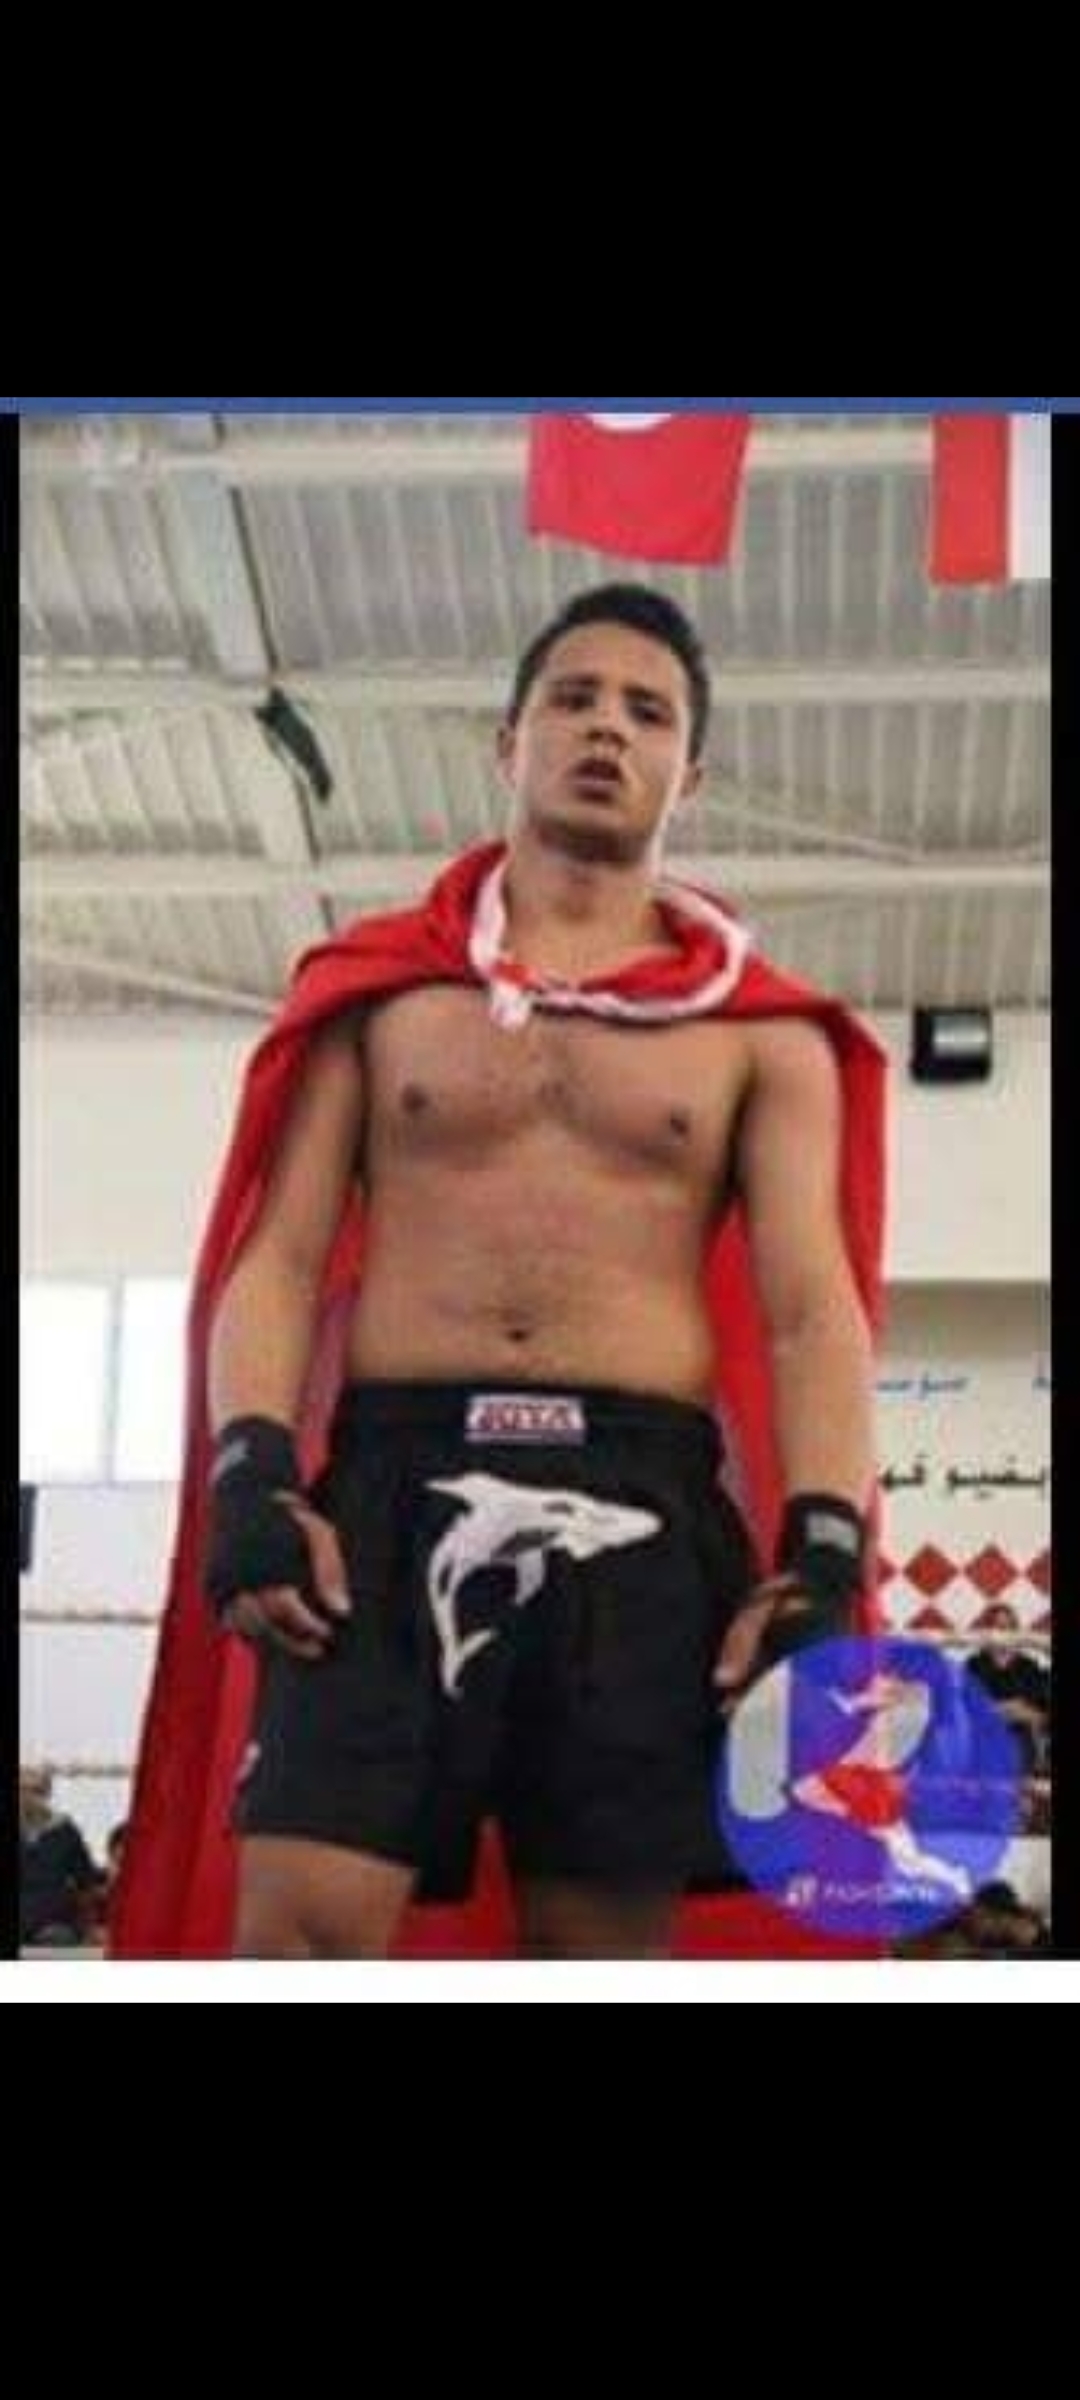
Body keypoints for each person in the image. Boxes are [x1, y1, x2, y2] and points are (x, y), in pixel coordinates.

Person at [111, 584, 886, 1961]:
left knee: (595, 1968)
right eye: (573, 700)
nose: (607, 730)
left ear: (690, 774)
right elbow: (278, 1258)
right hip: (389, 1495)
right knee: (290, 1949)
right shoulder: (379, 992)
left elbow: (812, 1312)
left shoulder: (764, 1038)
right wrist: (252, 1472)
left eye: (647, 713)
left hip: (643, 1510)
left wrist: (825, 1552)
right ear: (508, 742)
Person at [19, 1767, 103, 1949]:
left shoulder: (65, 1831)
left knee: (57, 1941)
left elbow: (86, 1881)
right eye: (21, 1790)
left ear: (47, 1794)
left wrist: (89, 1927)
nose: (27, 1797)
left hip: (52, 1923)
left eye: (35, 1790)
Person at [966, 1604, 1051, 1774]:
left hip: (1021, 1740)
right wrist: (1001, 1710)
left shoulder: (1029, 1667)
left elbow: (1042, 1715)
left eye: (1010, 1627)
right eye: (999, 1627)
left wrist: (1026, 1714)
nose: (1005, 1632)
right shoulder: (973, 1666)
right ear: (988, 1631)